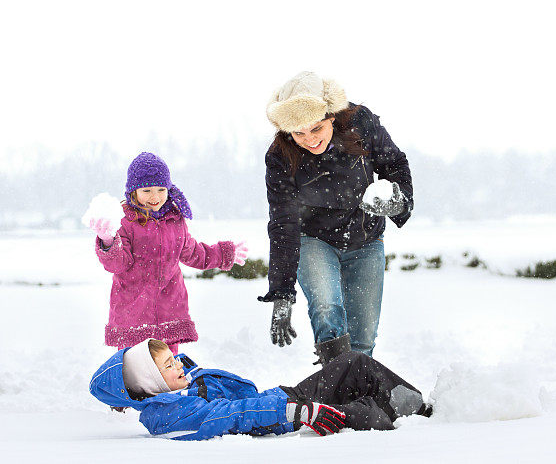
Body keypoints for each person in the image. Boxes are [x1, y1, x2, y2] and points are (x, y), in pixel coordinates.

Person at [260, 71, 413, 363]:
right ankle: (334, 387)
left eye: (316, 128)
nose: (309, 139)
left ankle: (360, 395)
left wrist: (399, 201)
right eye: (299, 133)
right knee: (328, 311)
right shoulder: (280, 156)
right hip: (314, 239)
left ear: (331, 116)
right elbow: (283, 224)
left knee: (363, 335)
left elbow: (394, 164)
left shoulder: (361, 123)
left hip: (365, 238)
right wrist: (281, 291)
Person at [89, 338, 432, 440]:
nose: (178, 365)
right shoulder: (168, 415)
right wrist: (298, 411)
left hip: (281, 403)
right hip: (283, 414)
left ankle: (412, 409)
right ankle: (416, 417)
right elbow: (230, 415)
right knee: (356, 377)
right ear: (150, 385)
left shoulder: (180, 392)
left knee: (355, 365)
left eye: (174, 358)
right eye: (168, 367)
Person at [86, 152, 248, 354]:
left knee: (167, 370)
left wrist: (222, 254)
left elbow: (192, 252)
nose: (155, 197)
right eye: (147, 190)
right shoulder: (125, 222)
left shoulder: (175, 218)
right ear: (133, 191)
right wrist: (108, 241)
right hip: (133, 313)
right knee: (134, 369)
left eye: (161, 189)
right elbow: (118, 264)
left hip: (169, 310)